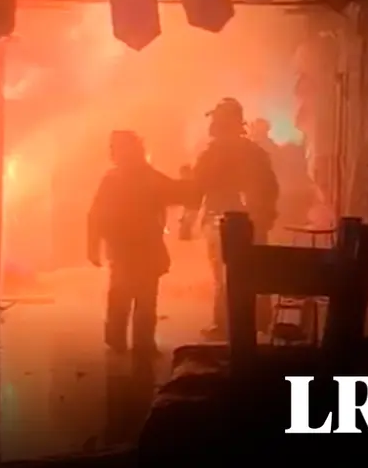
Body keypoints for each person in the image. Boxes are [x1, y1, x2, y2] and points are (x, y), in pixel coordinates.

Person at [181, 98, 278, 340]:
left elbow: (196, 189)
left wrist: (188, 221)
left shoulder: (214, 154)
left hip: (221, 222)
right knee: (255, 270)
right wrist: (264, 216)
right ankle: (258, 321)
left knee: (224, 274)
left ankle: (225, 325)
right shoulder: (255, 153)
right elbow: (270, 188)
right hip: (252, 223)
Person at [87, 131, 191, 357]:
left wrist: (93, 246)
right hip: (137, 248)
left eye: (116, 148)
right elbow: (96, 214)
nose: (114, 153)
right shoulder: (133, 177)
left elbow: (95, 214)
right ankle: (135, 343)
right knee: (137, 297)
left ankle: (125, 341)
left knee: (130, 295)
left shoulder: (120, 178)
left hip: (134, 248)